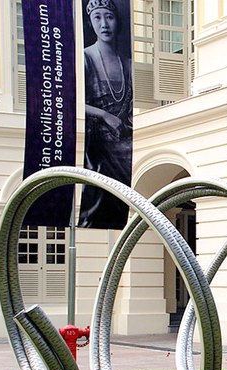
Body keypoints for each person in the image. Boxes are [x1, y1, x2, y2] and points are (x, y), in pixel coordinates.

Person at [79, 0, 134, 229]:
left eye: (109, 17)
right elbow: (73, 100)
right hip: (97, 141)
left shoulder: (128, 64)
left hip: (125, 139)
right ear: (91, 23)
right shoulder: (86, 57)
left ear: (117, 21)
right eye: (98, 18)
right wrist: (103, 115)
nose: (104, 24)